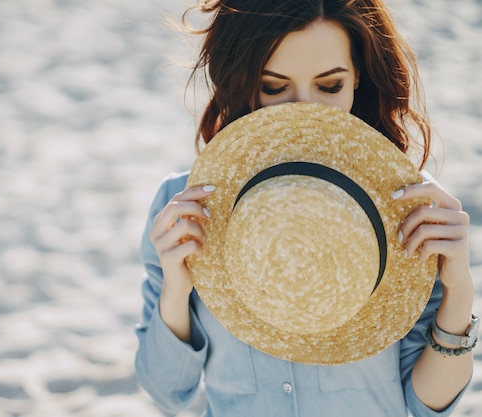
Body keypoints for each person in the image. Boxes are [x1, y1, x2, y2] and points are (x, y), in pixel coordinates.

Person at [135, 1, 476, 416]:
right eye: (275, 87)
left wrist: (458, 294)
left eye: (329, 86)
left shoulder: (408, 211)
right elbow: (169, 395)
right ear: (240, 81)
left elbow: (427, 406)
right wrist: (177, 290)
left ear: (358, 81)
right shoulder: (184, 208)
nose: (304, 110)